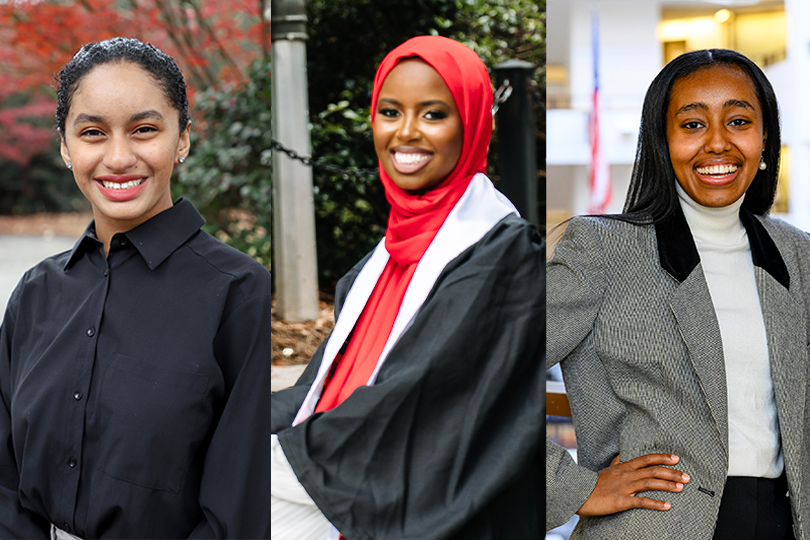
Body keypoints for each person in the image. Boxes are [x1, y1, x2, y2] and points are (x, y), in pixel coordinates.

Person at [271, 35, 544, 540]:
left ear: (472, 124)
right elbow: (320, 389)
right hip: (345, 466)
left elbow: (414, 407)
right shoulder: (383, 259)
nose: (406, 132)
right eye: (390, 112)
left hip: (422, 504)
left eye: (433, 114)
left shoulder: (502, 255)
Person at [0, 37, 272, 538]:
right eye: (93, 133)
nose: (119, 157)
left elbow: (238, 505)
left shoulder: (237, 292)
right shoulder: (35, 293)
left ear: (183, 138)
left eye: (144, 130)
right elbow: (4, 478)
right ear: (65, 146)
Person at [546, 48, 810, 540]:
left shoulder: (798, 255)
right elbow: (483, 375)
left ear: (765, 138)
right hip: (654, 526)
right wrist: (573, 488)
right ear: (662, 141)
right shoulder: (603, 249)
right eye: (692, 125)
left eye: (738, 121)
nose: (718, 142)